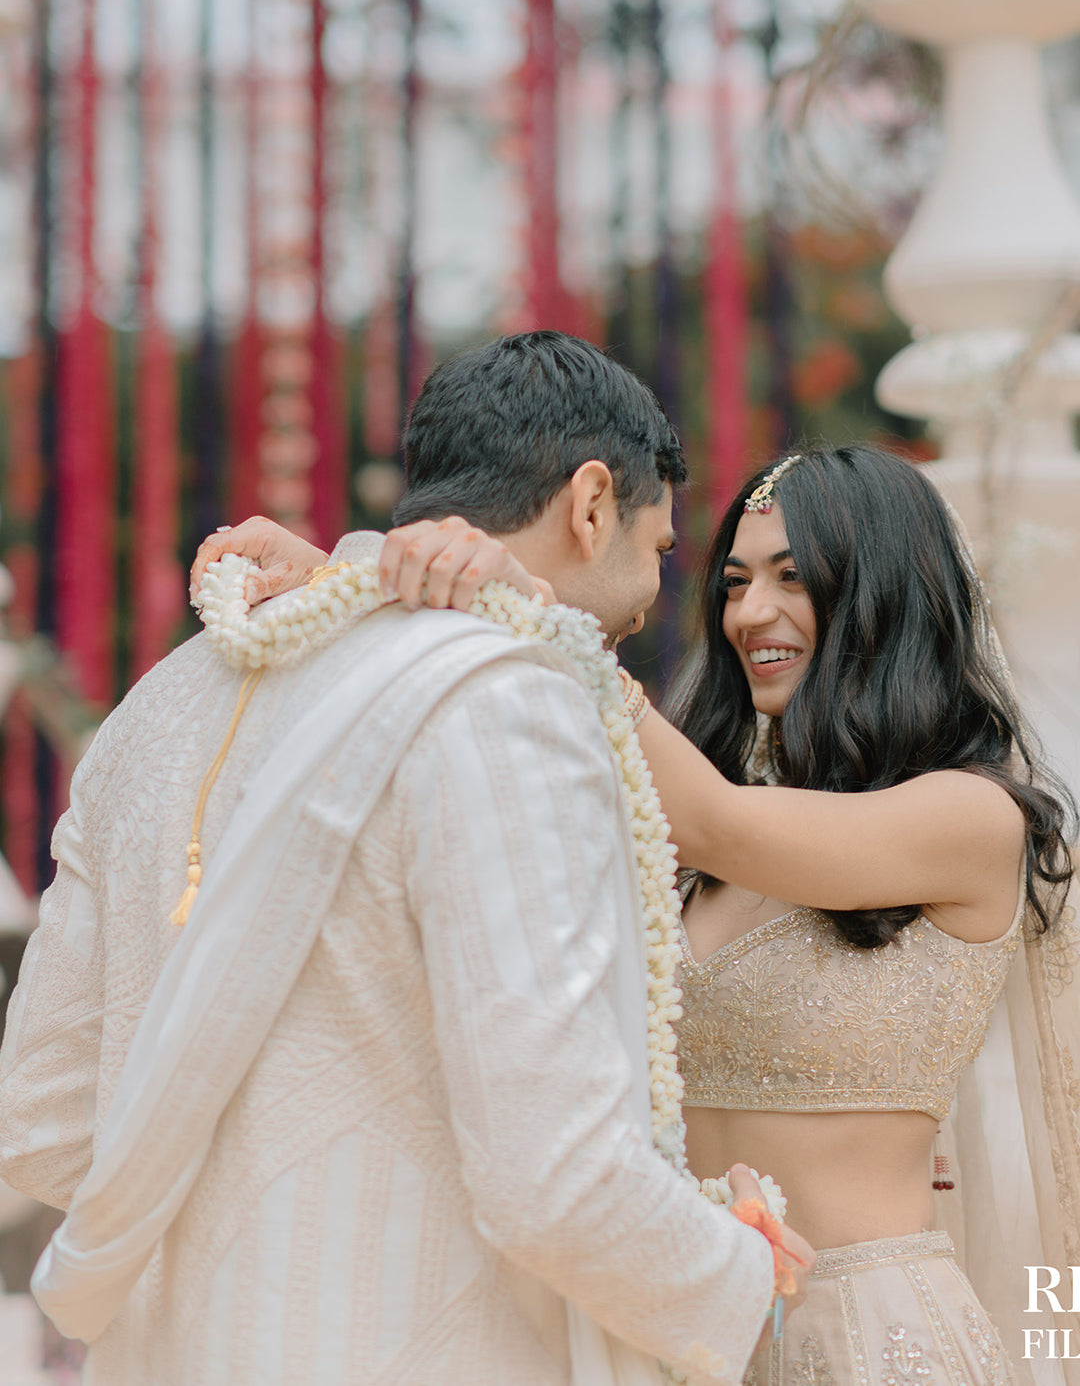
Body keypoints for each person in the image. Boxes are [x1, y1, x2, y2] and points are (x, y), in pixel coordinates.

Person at [0, 331, 813, 1386]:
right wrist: (741, 1285)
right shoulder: (509, 697)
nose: (644, 607)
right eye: (656, 553)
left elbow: (44, 1123)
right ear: (593, 502)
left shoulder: (159, 706)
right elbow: (556, 1178)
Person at [211, 439, 1079, 1386]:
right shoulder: (693, 835)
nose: (751, 614)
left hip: (872, 1340)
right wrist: (358, 585)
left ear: (883, 598)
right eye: (736, 583)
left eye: (794, 579)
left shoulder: (972, 817)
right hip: (686, 1329)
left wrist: (530, 605)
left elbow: (723, 824)